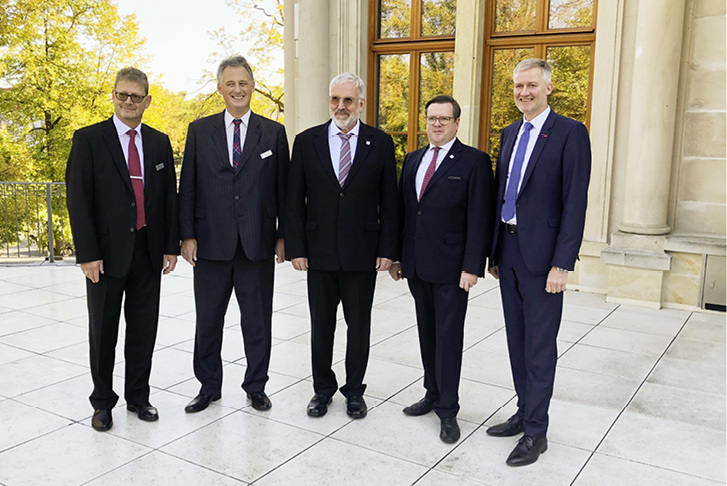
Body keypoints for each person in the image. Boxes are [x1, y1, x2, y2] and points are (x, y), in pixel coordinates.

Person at [487, 58, 591, 466]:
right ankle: (523, 411)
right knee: (516, 341)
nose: (523, 92)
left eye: (531, 85)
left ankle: (537, 431)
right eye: (518, 86)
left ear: (548, 88)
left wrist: (562, 264)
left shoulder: (569, 133)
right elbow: (503, 194)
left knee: (539, 346)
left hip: (544, 260)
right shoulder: (510, 132)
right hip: (509, 253)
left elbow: (574, 204)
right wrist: (495, 252)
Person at [66, 67, 179, 432]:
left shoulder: (160, 142)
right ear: (113, 97)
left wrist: (169, 246)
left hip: (148, 251)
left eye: (136, 96)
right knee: (103, 333)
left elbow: (168, 200)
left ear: (147, 100)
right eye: (122, 95)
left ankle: (138, 397)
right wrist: (87, 253)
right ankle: (102, 402)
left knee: (144, 329)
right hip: (105, 255)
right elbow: (78, 200)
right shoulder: (88, 140)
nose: (128, 102)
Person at [178, 55, 289, 413]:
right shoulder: (199, 130)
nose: (237, 89)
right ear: (220, 88)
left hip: (257, 244)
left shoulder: (273, 132)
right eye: (230, 83)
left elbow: (283, 190)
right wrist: (187, 235)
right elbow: (188, 188)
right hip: (210, 245)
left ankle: (256, 386)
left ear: (253, 86)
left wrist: (284, 236)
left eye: (243, 83)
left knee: (257, 322)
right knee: (208, 322)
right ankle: (209, 386)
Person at [286, 73, 398, 419]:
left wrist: (387, 248)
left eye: (348, 100)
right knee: (321, 326)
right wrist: (297, 248)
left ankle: (354, 391)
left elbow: (389, 202)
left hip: (362, 253)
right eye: (335, 99)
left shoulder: (380, 143)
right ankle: (322, 390)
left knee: (359, 326)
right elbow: (294, 200)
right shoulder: (307, 142)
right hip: (318, 253)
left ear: (361, 103)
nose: (340, 106)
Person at [388, 95, 495, 443]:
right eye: (432, 118)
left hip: (452, 270)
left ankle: (448, 410)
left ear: (456, 123)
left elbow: (480, 218)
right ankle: (432, 393)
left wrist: (472, 266)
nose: (436, 124)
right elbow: (405, 213)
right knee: (427, 334)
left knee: (448, 339)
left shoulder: (475, 161)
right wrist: (399, 257)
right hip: (417, 267)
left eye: (444, 119)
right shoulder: (414, 158)